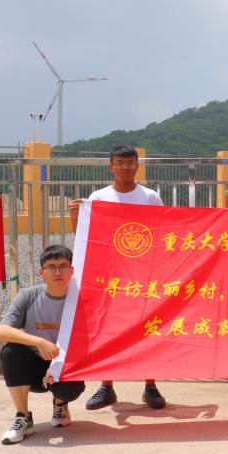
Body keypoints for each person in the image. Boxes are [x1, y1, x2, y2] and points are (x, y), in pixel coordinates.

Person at [68, 144, 167, 410]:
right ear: (111, 166)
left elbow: (164, 231)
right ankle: (106, 386)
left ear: (137, 166)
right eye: (120, 163)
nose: (125, 167)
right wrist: (75, 215)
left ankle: (150, 385)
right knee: (107, 327)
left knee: (147, 326)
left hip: (143, 272)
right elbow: (84, 237)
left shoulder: (150, 197)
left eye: (130, 162)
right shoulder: (99, 197)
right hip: (109, 273)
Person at [0, 245, 86, 445]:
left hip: (66, 366)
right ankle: (23, 417)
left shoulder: (81, 299)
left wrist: (59, 363)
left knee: (69, 389)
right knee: (11, 352)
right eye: (51, 267)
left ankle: (60, 405)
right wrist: (39, 342)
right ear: (41, 272)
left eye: (63, 266)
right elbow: (2, 331)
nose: (57, 272)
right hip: (34, 367)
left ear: (72, 270)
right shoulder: (28, 295)